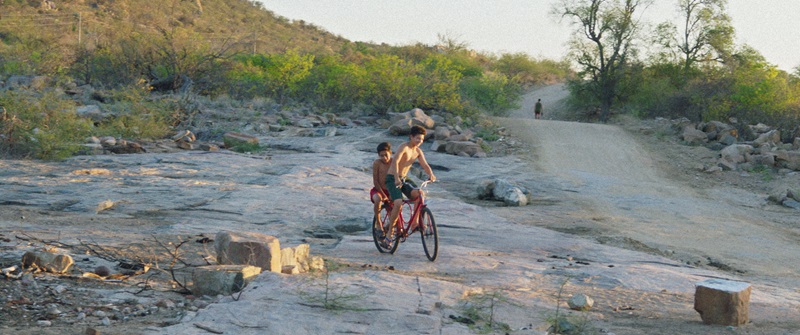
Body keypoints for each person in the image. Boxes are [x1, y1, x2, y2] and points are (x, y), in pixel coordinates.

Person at [381, 125, 436, 246]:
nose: (419, 141)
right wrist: (396, 178)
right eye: (417, 138)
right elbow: (395, 162)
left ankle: (415, 224)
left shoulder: (418, 151)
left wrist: (431, 174)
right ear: (411, 136)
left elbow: (425, 165)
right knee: (398, 202)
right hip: (392, 178)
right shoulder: (404, 147)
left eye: (421, 139)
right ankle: (389, 236)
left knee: (419, 194)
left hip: (404, 179)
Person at [370, 142, 392, 226]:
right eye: (381, 156)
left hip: (390, 189)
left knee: (395, 208)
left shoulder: (394, 162)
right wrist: (383, 194)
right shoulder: (377, 163)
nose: (384, 158)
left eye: (386, 155)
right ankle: (378, 222)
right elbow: (375, 181)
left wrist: (391, 193)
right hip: (378, 189)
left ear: (390, 153)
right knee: (378, 199)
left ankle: (391, 226)